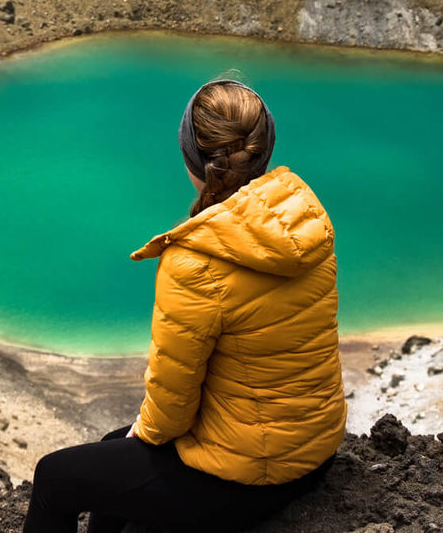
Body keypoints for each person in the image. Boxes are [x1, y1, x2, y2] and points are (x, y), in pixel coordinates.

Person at [23, 78, 347, 533]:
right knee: (112, 447)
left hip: (251, 476)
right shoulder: (305, 221)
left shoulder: (194, 261)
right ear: (263, 149)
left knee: (55, 477)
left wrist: (146, 431)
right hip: (315, 448)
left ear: (192, 159)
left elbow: (171, 406)